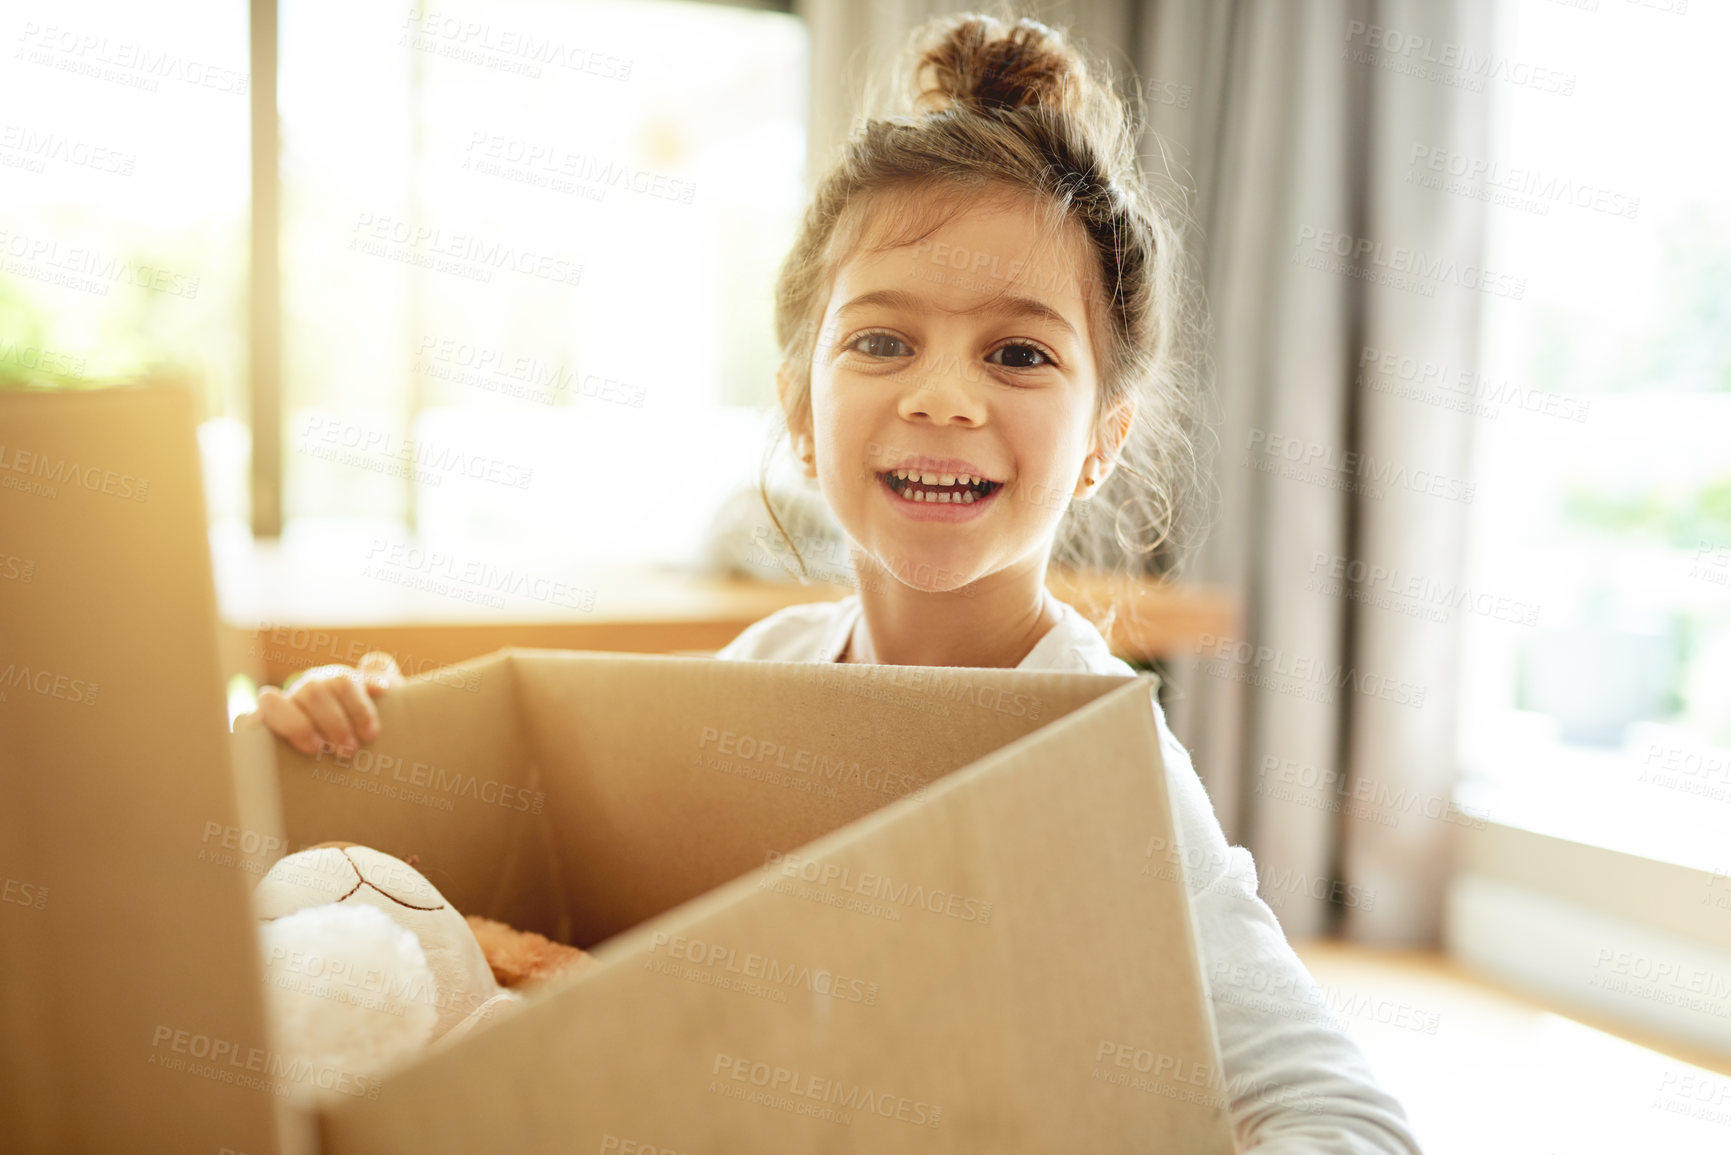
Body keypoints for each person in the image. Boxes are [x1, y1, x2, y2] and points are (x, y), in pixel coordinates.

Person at [239, 12, 1422, 1151]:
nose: (942, 397)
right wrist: (370, 757)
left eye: (1018, 353)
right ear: (802, 411)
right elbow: (561, 958)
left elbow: (1345, 1116)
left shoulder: (1106, 765)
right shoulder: (761, 682)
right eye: (881, 340)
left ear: (1103, 438)